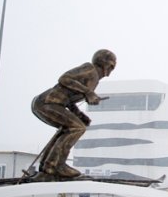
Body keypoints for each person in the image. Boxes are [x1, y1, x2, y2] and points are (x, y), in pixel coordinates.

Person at [30, 49, 116, 179]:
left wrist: (80, 115)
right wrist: (88, 92)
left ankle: (47, 166)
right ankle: (55, 166)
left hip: (50, 103)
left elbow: (68, 99)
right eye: (110, 67)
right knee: (77, 128)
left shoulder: (94, 80)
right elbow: (64, 79)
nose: (109, 73)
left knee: (69, 127)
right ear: (104, 64)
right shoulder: (90, 69)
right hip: (48, 103)